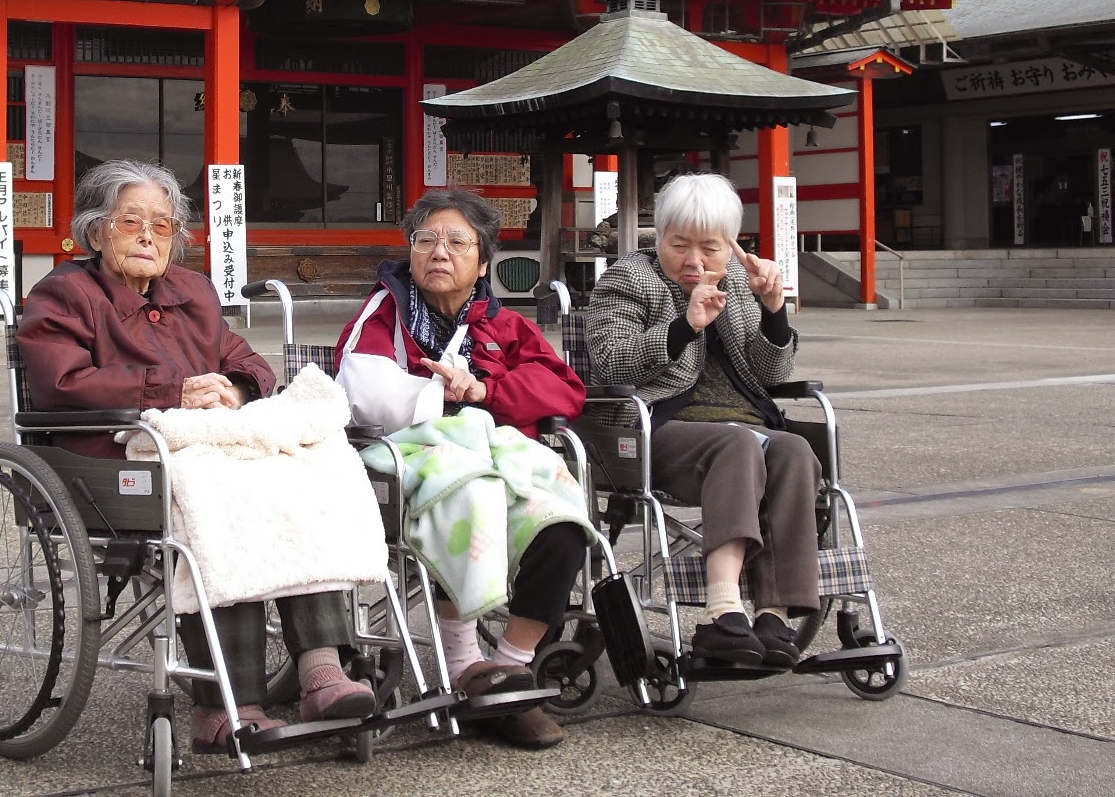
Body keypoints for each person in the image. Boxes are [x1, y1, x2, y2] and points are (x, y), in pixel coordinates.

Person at [16, 160, 376, 753]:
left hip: (206, 448)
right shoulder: (64, 294)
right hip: (112, 455)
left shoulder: (193, 291)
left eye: (162, 224)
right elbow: (62, 383)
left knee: (294, 478)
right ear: (96, 231)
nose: (148, 235)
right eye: (130, 221)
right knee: (219, 498)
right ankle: (225, 707)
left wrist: (236, 388)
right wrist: (170, 393)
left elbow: (248, 361)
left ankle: (322, 672)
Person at [334, 188, 589, 750]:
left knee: (564, 521)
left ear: (483, 262)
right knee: (472, 494)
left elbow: (563, 388)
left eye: (457, 242)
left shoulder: (502, 324)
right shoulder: (384, 313)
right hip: (412, 455)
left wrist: (484, 391)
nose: (439, 252)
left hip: (497, 457)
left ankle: (512, 669)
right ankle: (465, 664)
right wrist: (438, 396)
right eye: (425, 239)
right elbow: (360, 387)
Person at [582, 172, 820, 669]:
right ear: (660, 236)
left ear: (730, 244)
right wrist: (684, 326)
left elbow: (772, 374)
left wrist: (773, 310)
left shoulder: (738, 282)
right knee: (737, 445)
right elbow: (611, 364)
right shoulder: (629, 280)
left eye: (710, 248)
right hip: (653, 428)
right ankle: (722, 610)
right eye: (679, 245)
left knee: (795, 449)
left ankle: (774, 616)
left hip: (741, 427)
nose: (694, 261)